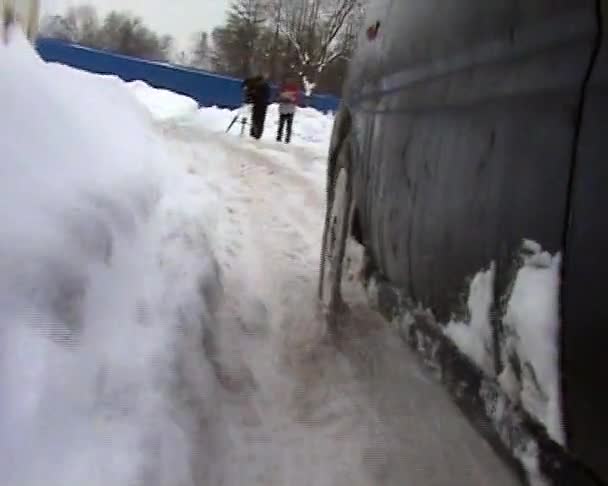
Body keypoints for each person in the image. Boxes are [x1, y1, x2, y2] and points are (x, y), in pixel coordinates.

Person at [242, 74, 271, 140]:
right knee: (255, 118)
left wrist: (252, 95)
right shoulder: (252, 83)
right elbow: (248, 90)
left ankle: (257, 134)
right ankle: (253, 132)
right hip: (257, 103)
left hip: (262, 104)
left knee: (259, 119)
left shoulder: (263, 86)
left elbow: (263, 96)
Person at [276, 78, 299, 144]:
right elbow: (279, 97)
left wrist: (290, 99)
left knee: (287, 125)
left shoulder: (294, 88)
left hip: (289, 108)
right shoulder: (283, 87)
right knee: (282, 124)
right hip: (284, 108)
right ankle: (280, 137)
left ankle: (286, 138)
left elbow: (296, 99)